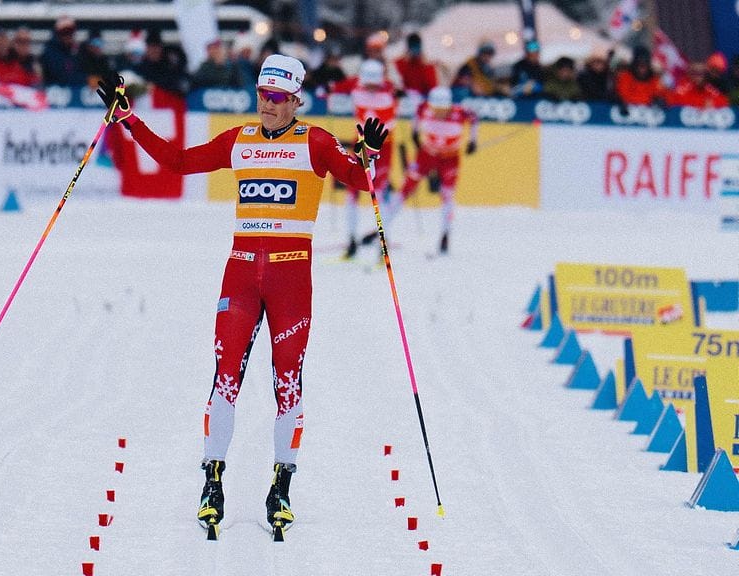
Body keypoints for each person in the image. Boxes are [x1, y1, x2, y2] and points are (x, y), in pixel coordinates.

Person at [96, 55, 386, 538]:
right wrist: (128, 118)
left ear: (295, 99)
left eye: (277, 98)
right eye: (262, 96)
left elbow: (358, 179)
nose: (268, 106)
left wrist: (369, 155)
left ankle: (281, 485)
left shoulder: (313, 141)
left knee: (287, 382)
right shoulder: (240, 141)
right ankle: (212, 481)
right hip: (240, 276)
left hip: (291, 280)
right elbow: (178, 162)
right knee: (224, 377)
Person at [397, 86, 478, 255]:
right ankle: (382, 227)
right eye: (436, 108)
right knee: (407, 186)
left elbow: (474, 118)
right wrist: (414, 132)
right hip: (427, 153)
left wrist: (472, 141)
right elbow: (417, 114)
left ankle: (445, 233)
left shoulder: (460, 112)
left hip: (450, 157)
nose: (439, 112)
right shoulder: (424, 108)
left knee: (447, 194)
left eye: (442, 109)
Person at [331, 59, 399, 258]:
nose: (370, 87)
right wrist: (327, 89)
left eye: (374, 83)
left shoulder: (388, 91)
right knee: (352, 191)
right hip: (361, 144)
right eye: (367, 82)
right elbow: (334, 88)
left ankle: (382, 246)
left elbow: (400, 101)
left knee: (378, 192)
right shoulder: (356, 85)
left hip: (383, 147)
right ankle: (351, 241)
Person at [40, 16, 85, 86]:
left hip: (74, 89)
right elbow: (59, 76)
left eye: (70, 31)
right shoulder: (50, 52)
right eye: (64, 32)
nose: (67, 35)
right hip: (55, 90)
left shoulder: (78, 51)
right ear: (57, 33)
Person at [394, 32, 437, 100]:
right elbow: (397, 84)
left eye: (416, 47)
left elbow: (433, 88)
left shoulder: (427, 65)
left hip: (423, 99)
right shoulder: (400, 63)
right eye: (412, 48)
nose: (414, 51)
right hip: (406, 99)